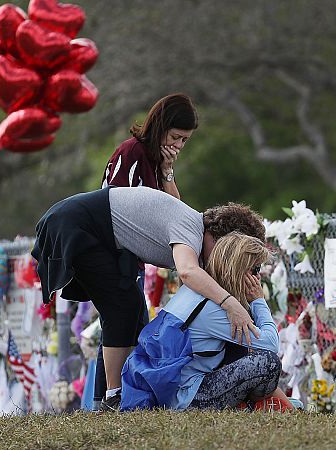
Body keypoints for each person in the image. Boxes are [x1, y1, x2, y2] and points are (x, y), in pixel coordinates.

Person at [31, 186, 265, 411]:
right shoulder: (191, 229)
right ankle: (113, 397)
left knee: (131, 308)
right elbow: (188, 272)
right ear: (222, 240)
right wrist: (231, 304)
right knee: (121, 308)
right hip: (75, 224)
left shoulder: (191, 229)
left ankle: (119, 393)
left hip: (89, 230)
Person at [94, 93, 198, 406]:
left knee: (132, 323)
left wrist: (167, 171)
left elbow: (176, 212)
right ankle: (106, 399)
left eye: (185, 141)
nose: (178, 145)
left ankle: (121, 397)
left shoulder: (157, 161)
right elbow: (116, 205)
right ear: (161, 126)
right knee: (119, 323)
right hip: (111, 252)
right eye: (175, 137)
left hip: (133, 258)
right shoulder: (132, 152)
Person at [134, 232, 290, 410]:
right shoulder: (215, 308)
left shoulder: (195, 291)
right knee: (268, 363)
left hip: (169, 389)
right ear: (239, 270)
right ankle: (251, 406)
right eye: (255, 270)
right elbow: (270, 345)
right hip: (184, 398)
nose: (258, 277)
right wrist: (258, 301)